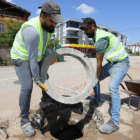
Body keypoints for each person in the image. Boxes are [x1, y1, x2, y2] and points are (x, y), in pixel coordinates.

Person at [10, 1, 63, 137]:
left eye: (56, 21)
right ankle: (24, 120)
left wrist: (51, 55)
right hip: (21, 57)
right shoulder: (31, 31)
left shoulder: (47, 28)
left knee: (45, 77)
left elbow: (42, 48)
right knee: (27, 86)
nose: (54, 24)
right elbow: (33, 60)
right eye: (52, 20)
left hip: (32, 56)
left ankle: (46, 98)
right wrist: (38, 81)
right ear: (43, 16)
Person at [80, 18, 130, 134]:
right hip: (112, 63)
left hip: (121, 63)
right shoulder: (95, 37)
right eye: (83, 30)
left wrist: (97, 79)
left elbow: (99, 64)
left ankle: (114, 122)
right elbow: (101, 51)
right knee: (93, 78)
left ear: (93, 26)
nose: (85, 32)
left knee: (112, 88)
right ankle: (96, 100)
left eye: (86, 29)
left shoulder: (101, 38)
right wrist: (92, 54)